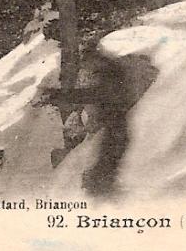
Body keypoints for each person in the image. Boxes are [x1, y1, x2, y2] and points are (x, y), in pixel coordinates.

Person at [37, 49, 131, 197]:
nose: (86, 69)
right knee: (101, 178)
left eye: (87, 64)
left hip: (116, 133)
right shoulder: (110, 74)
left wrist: (55, 94)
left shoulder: (109, 78)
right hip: (115, 132)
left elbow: (90, 95)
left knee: (101, 181)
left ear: (95, 61)